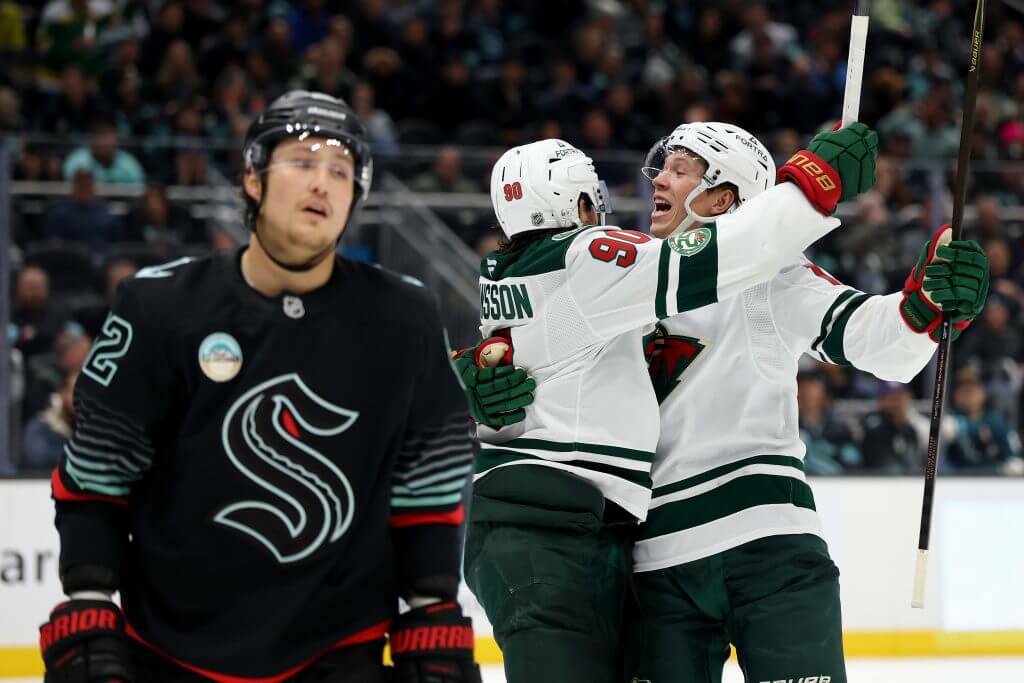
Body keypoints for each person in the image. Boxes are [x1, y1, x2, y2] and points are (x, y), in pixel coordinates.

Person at [463, 121, 988, 683]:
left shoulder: (770, 276)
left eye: (681, 168)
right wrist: (479, 366)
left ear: (725, 197)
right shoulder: (621, 275)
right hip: (654, 565)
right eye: (662, 167)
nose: (657, 179)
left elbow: (879, 342)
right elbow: (528, 338)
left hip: (766, 545)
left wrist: (926, 305)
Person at [40, 91, 481, 683]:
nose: (322, 183)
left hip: (338, 644)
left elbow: (428, 472)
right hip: (171, 645)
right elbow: (99, 466)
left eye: (341, 171)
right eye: (302, 162)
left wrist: (431, 603)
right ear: (252, 178)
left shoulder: (405, 318)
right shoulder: (160, 306)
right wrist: (89, 595)